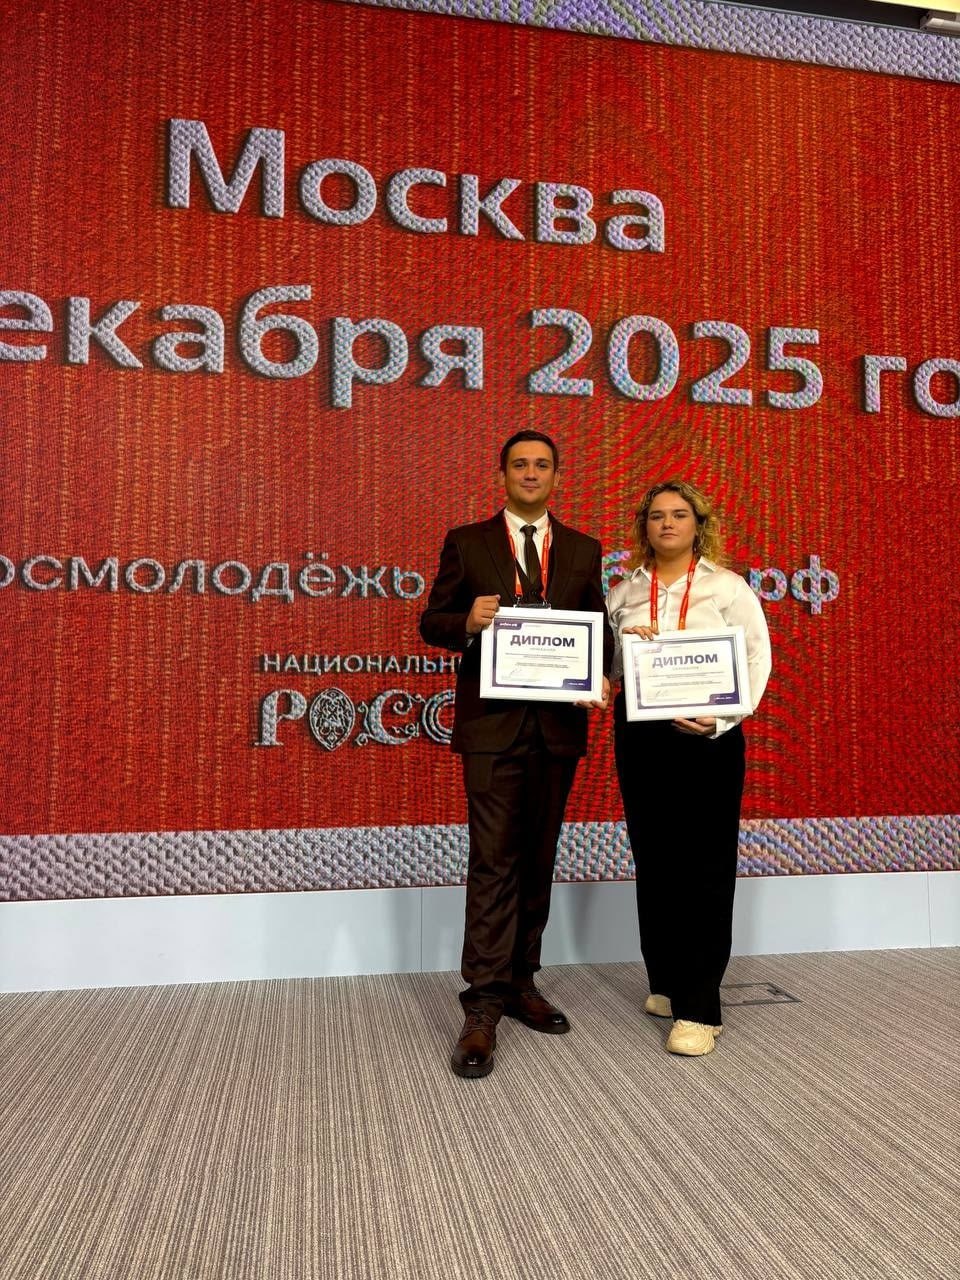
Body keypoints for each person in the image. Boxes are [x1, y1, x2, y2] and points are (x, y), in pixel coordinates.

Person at [420, 430, 612, 1079]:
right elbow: (432, 622)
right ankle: (482, 1004)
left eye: (542, 465)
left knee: (537, 859)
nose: (531, 473)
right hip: (492, 729)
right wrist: (466, 621)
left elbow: (597, 630)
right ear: (502, 474)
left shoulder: (583, 549)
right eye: (520, 464)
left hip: (557, 731)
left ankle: (523, 981)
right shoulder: (467, 542)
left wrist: (604, 673)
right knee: (493, 861)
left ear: (558, 476)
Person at [606, 480, 771, 1057]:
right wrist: (621, 649)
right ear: (644, 527)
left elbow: (756, 656)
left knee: (704, 866)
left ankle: (700, 1008)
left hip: (707, 738)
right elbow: (611, 667)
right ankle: (668, 981)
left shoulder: (727, 587)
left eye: (679, 515)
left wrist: (723, 718)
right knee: (654, 859)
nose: (667, 524)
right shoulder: (624, 591)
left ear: (699, 525)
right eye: (656, 516)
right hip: (641, 736)